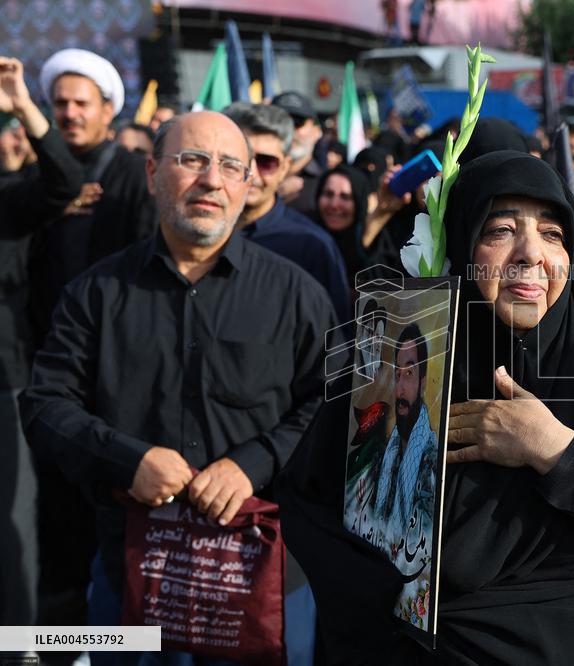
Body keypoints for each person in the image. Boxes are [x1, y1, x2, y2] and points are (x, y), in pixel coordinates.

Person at [276, 149, 574, 664]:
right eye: (500, 230)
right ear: (460, 246)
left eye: (552, 234)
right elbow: (312, 505)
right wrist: (398, 612)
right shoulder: (399, 363)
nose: (530, 253)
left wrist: (558, 451)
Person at [19, 111, 334, 665]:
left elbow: (334, 406)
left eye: (230, 166)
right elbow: (44, 406)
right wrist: (128, 461)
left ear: (248, 183)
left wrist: (254, 463)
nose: (211, 179)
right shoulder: (95, 294)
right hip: (130, 582)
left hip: (260, 583)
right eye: (192, 160)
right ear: (152, 173)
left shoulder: (297, 296)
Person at [31, 47, 157, 629]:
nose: (70, 113)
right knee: (56, 527)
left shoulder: (133, 176)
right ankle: (52, 642)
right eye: (60, 103)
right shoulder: (38, 179)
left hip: (116, 382)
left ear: (109, 109)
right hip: (50, 374)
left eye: (81, 103)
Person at [0, 55, 83, 629]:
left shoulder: (9, 200)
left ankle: (22, 642)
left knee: (12, 523)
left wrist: (21, 103)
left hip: (5, 386)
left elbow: (64, 182)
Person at [224, 102, 352, 323]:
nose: (251, 173)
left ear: (285, 167)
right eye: (241, 159)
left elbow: (334, 335)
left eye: (266, 162)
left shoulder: (312, 246)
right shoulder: (198, 231)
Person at [370, 323, 438, 529]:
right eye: (397, 375)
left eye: (409, 373)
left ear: (423, 383)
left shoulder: (432, 461)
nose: (400, 389)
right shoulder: (385, 457)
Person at [272, 91, 325, 219]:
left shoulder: (328, 185)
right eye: (280, 123)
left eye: (297, 122)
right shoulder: (249, 177)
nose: (289, 131)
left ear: (317, 131)